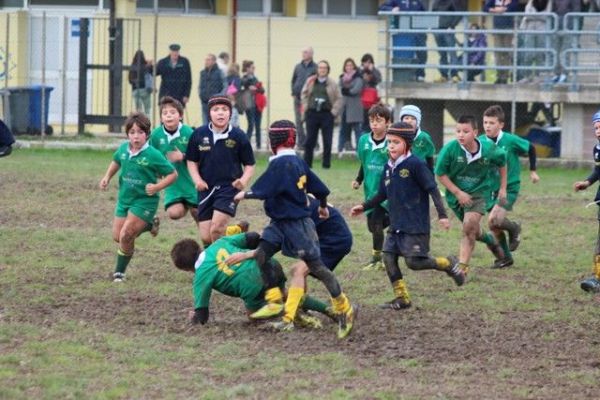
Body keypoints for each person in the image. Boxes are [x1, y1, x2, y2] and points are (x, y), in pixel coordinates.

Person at [233, 120, 356, 339]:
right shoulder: (296, 161)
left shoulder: (283, 163)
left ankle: (343, 306)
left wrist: (246, 194)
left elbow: (267, 186)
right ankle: (274, 301)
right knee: (262, 253)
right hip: (279, 222)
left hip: (297, 223)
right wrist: (324, 207)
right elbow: (320, 188)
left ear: (273, 141)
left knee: (316, 267)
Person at [351, 122, 464, 310]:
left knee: (413, 262)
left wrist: (442, 215)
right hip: (396, 224)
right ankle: (402, 298)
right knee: (388, 257)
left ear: (408, 144)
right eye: (389, 142)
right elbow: (381, 194)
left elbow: (433, 189)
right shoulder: (388, 166)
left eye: (396, 142)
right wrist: (363, 206)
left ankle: (447, 263)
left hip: (415, 225)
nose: (391, 146)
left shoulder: (416, 164)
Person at [222, 195, 353, 330]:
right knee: (298, 271)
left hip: (333, 240)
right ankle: (299, 310)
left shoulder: (290, 207)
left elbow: (275, 240)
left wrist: (245, 254)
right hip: (324, 236)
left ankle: (288, 320)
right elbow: (270, 233)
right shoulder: (285, 199)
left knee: (299, 271)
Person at [171, 232, 333, 328]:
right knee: (284, 293)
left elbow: (202, 316)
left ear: (186, 269)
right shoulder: (219, 243)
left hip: (252, 284)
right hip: (269, 264)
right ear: (199, 247)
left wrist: (194, 317)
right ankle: (330, 310)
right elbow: (253, 237)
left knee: (253, 317)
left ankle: (288, 312)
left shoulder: (200, 276)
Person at [99, 112, 178, 282]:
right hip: (124, 199)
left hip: (144, 201)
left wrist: (157, 186)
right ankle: (150, 225)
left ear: (147, 134)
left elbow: (173, 174)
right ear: (127, 134)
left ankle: (119, 273)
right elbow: (116, 161)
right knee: (117, 236)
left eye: (140, 132)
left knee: (126, 235)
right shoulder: (123, 149)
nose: (136, 136)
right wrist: (107, 177)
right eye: (132, 132)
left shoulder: (153, 154)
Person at [435, 115, 508, 280]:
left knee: (468, 226)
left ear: (475, 132)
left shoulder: (489, 149)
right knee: (472, 229)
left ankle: (462, 269)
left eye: (465, 131)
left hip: (479, 193)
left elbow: (502, 162)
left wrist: (503, 188)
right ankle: (490, 240)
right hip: (456, 196)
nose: (461, 135)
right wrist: (458, 193)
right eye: (458, 131)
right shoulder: (450, 149)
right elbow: (440, 174)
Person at [185, 95, 255, 247]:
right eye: (216, 109)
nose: (220, 113)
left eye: (224, 109)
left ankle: (222, 265)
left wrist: (243, 181)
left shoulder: (239, 136)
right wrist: (197, 180)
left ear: (230, 113)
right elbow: (191, 161)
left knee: (216, 230)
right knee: (206, 237)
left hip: (229, 189)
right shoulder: (198, 134)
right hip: (206, 188)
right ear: (209, 113)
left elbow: (250, 164)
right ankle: (235, 231)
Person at [480, 105, 540, 268]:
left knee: (494, 219)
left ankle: (514, 228)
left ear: (501, 125)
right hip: (489, 190)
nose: (487, 126)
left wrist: (533, 171)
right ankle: (505, 258)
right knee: (493, 226)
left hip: (509, 188)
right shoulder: (480, 142)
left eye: (492, 123)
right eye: (485, 122)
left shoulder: (510, 140)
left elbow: (531, 148)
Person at [352, 104, 391, 271]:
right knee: (372, 226)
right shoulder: (363, 141)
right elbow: (364, 163)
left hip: (386, 191)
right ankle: (395, 223)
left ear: (388, 123)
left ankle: (377, 259)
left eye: (379, 121)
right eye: (372, 121)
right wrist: (358, 179)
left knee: (376, 223)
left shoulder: (392, 142)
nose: (375, 124)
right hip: (370, 190)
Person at [149, 96, 197, 222]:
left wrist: (183, 156)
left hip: (190, 180)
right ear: (161, 118)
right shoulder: (155, 135)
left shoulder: (189, 133)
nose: (168, 116)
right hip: (172, 184)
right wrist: (156, 170)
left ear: (180, 116)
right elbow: (150, 156)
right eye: (165, 113)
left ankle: (208, 240)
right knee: (174, 213)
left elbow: (200, 156)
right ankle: (184, 204)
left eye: (172, 112)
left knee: (198, 213)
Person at [574, 111, 600, 292]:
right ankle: (597, 277)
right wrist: (587, 182)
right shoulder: (598, 149)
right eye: (596, 127)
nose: (598, 131)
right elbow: (598, 171)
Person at [301, 60, 342, 169]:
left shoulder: (333, 83)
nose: (322, 70)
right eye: (320, 67)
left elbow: (339, 98)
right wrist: (306, 107)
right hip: (312, 114)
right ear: (317, 69)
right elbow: (304, 94)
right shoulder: (311, 81)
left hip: (327, 115)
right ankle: (307, 164)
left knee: (327, 141)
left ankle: (326, 165)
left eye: (324, 68)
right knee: (310, 141)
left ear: (328, 70)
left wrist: (333, 112)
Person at [379, 0, 427, 82]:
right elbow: (382, 8)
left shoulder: (418, 2)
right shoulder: (396, 0)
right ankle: (405, 76)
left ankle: (420, 75)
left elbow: (425, 14)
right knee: (405, 55)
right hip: (403, 33)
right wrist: (391, 10)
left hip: (417, 32)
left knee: (422, 53)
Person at [484, 0, 521, 84]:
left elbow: (511, 8)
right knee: (497, 53)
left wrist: (498, 9)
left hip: (508, 29)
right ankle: (499, 76)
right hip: (497, 29)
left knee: (506, 53)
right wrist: (496, 10)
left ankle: (504, 77)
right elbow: (485, 8)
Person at [432, 0, 467, 83]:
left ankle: (454, 75)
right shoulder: (436, 2)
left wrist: (451, 26)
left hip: (448, 30)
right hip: (437, 30)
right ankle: (444, 75)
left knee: (452, 53)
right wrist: (433, 27)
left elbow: (460, 13)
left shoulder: (453, 1)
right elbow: (433, 13)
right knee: (442, 54)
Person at [518, 0, 552, 83]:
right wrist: (538, 16)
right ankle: (527, 75)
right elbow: (527, 15)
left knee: (540, 54)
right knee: (528, 53)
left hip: (542, 30)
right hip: (529, 29)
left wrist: (533, 15)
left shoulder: (549, 2)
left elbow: (546, 16)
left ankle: (538, 75)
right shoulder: (531, 2)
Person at [291, 47, 317, 150]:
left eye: (306, 52)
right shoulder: (298, 67)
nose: (303, 54)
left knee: (310, 121)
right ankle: (301, 143)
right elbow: (293, 80)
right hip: (297, 98)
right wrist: (293, 91)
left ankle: (313, 143)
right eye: (303, 52)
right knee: (298, 121)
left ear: (311, 54)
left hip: (309, 99)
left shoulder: (315, 67)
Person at [338, 58, 364, 154]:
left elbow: (356, 90)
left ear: (354, 66)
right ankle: (339, 150)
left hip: (355, 107)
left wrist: (346, 90)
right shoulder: (342, 78)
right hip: (344, 107)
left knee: (357, 130)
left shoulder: (358, 77)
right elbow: (339, 89)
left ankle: (360, 151)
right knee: (343, 130)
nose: (348, 67)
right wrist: (346, 90)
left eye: (350, 65)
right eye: (347, 65)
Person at [551, 0, 581, 83]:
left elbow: (576, 11)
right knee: (555, 52)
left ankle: (564, 74)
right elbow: (553, 10)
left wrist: (570, 24)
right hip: (556, 27)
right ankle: (556, 74)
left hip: (568, 27)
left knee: (565, 52)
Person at [399, 104, 436, 170]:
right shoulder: (396, 137)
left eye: (413, 118)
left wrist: (430, 174)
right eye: (406, 118)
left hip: (419, 171)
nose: (409, 121)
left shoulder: (424, 137)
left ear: (418, 122)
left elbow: (429, 158)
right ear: (401, 121)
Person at [240, 60, 264, 149]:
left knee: (258, 125)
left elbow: (262, 90)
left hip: (257, 104)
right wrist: (249, 87)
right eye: (252, 67)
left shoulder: (255, 78)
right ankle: (246, 143)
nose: (254, 69)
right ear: (247, 68)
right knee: (251, 124)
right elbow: (242, 86)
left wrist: (256, 89)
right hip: (249, 104)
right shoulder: (244, 78)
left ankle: (259, 145)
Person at [199, 53, 227, 126]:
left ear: (214, 61)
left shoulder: (220, 72)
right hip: (204, 102)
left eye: (208, 60)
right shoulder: (202, 73)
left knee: (215, 123)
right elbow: (200, 86)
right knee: (205, 124)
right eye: (206, 60)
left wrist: (220, 96)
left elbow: (225, 86)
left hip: (215, 102)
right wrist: (200, 94)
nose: (206, 62)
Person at [359, 53, 382, 132]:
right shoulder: (359, 71)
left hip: (373, 101)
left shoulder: (375, 71)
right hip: (361, 102)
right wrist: (363, 77)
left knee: (372, 121)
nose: (367, 64)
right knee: (362, 124)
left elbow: (378, 80)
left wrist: (372, 71)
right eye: (365, 62)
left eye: (369, 62)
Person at [128, 50, 153, 115]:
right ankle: (147, 123)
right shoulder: (146, 66)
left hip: (136, 90)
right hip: (145, 90)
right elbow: (152, 74)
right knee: (147, 109)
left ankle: (140, 123)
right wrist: (150, 64)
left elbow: (130, 80)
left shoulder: (133, 66)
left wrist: (135, 81)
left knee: (139, 110)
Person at [226, 63, 242, 128]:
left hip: (230, 100)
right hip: (232, 100)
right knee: (233, 119)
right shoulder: (236, 79)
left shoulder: (227, 78)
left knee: (232, 118)